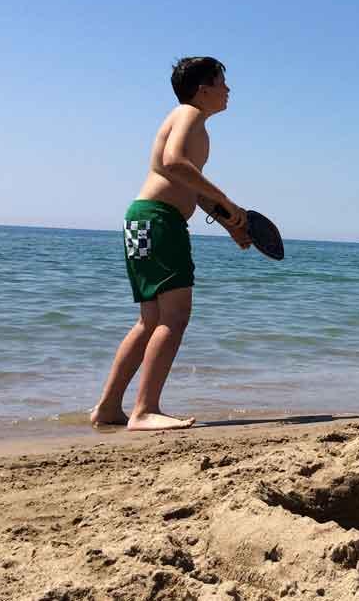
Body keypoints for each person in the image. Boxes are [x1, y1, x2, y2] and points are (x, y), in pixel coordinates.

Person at [91, 57, 250, 431]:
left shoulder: (188, 120)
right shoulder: (189, 114)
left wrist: (231, 225)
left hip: (142, 219)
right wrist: (228, 201)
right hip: (160, 221)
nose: (228, 90)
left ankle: (109, 408)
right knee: (175, 317)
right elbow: (174, 162)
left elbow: (187, 182)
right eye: (222, 81)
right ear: (203, 89)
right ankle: (145, 410)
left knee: (150, 321)